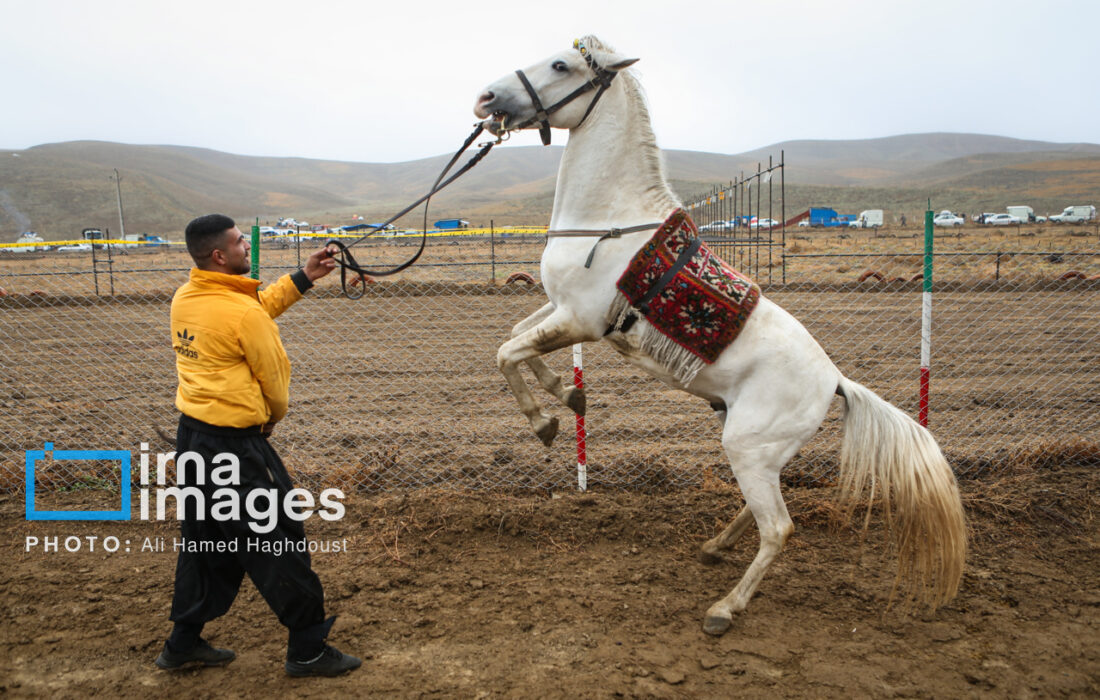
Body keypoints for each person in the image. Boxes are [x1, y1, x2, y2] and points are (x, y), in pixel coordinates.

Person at [154, 214, 361, 677]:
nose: (247, 245)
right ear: (219, 255)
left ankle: (182, 643)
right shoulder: (243, 313)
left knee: (204, 543)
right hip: (236, 449)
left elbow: (253, 309)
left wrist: (305, 277)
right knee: (279, 542)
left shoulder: (188, 297)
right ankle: (307, 649)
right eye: (238, 242)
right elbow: (276, 384)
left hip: (194, 441)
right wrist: (269, 421)